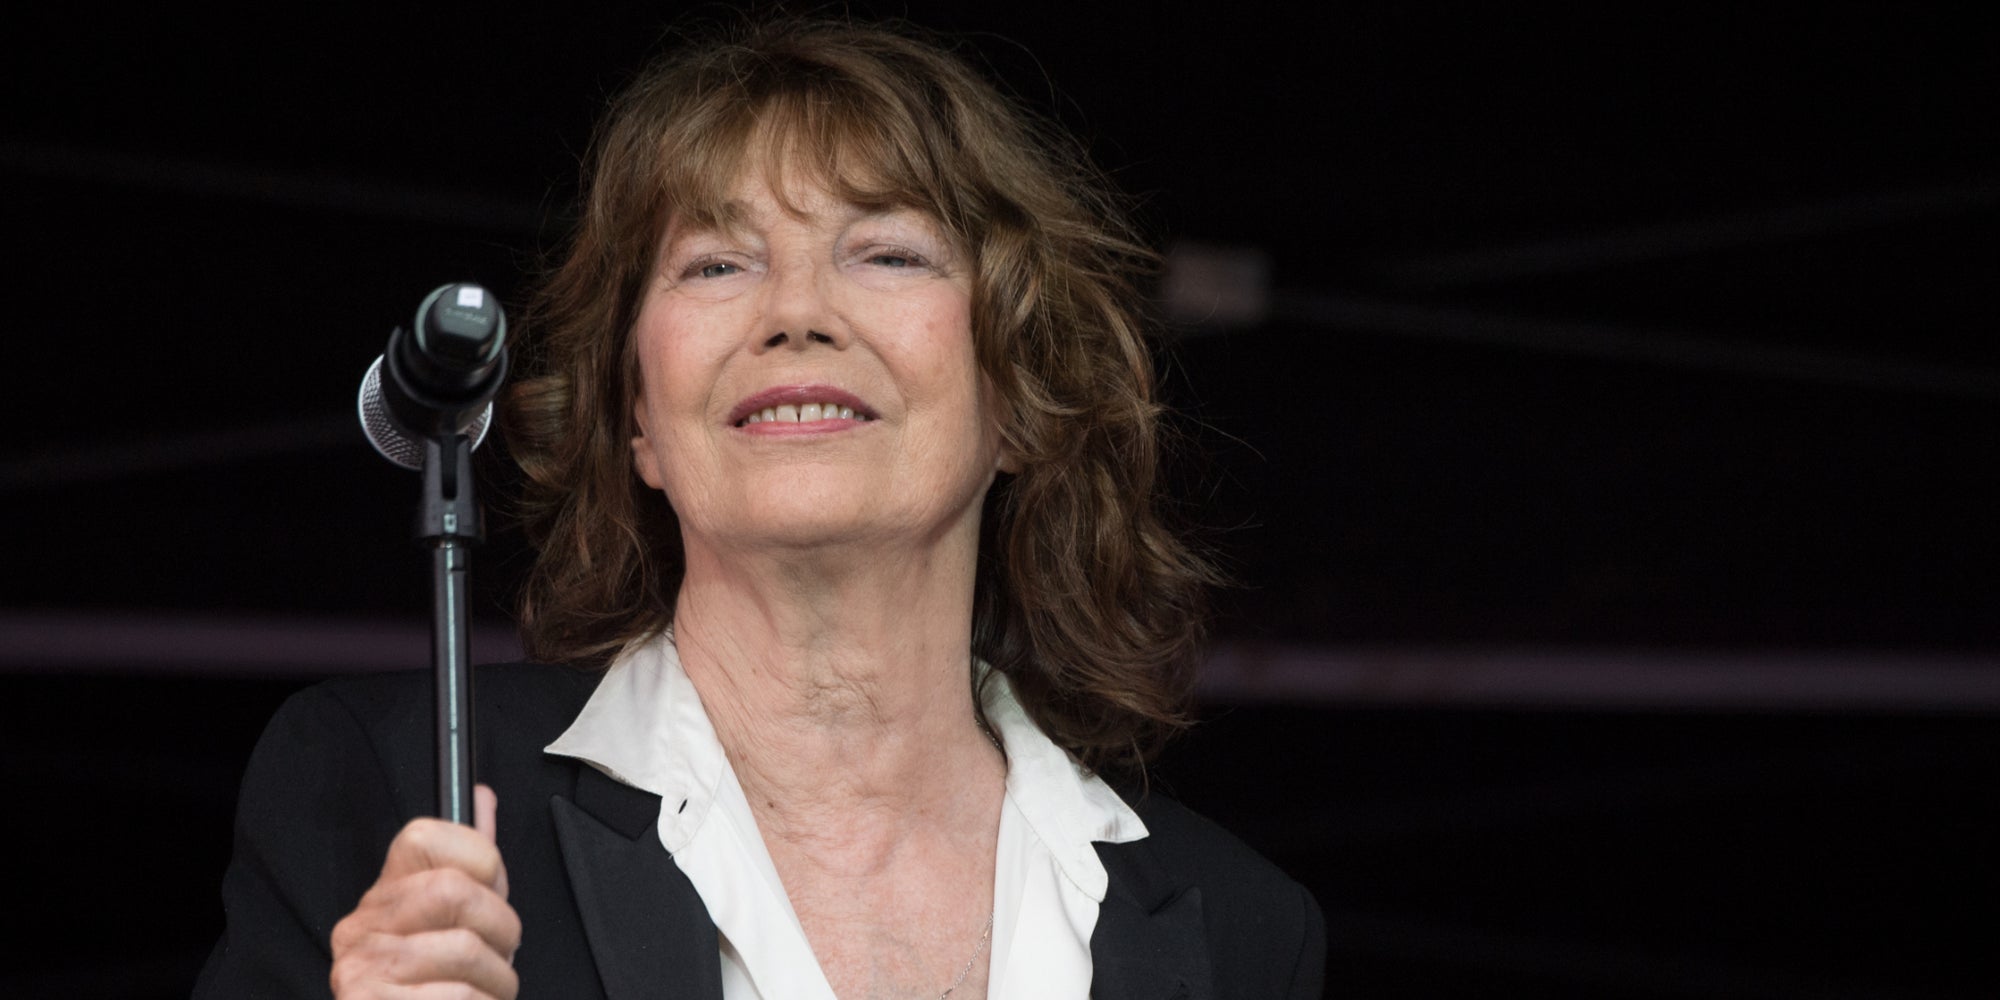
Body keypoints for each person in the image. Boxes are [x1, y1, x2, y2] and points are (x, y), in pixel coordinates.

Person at [195, 16, 1324, 1000]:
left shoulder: (1236, 929)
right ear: (637, 415)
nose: (796, 311)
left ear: (1022, 400)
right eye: (717, 265)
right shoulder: (392, 792)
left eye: (886, 252)